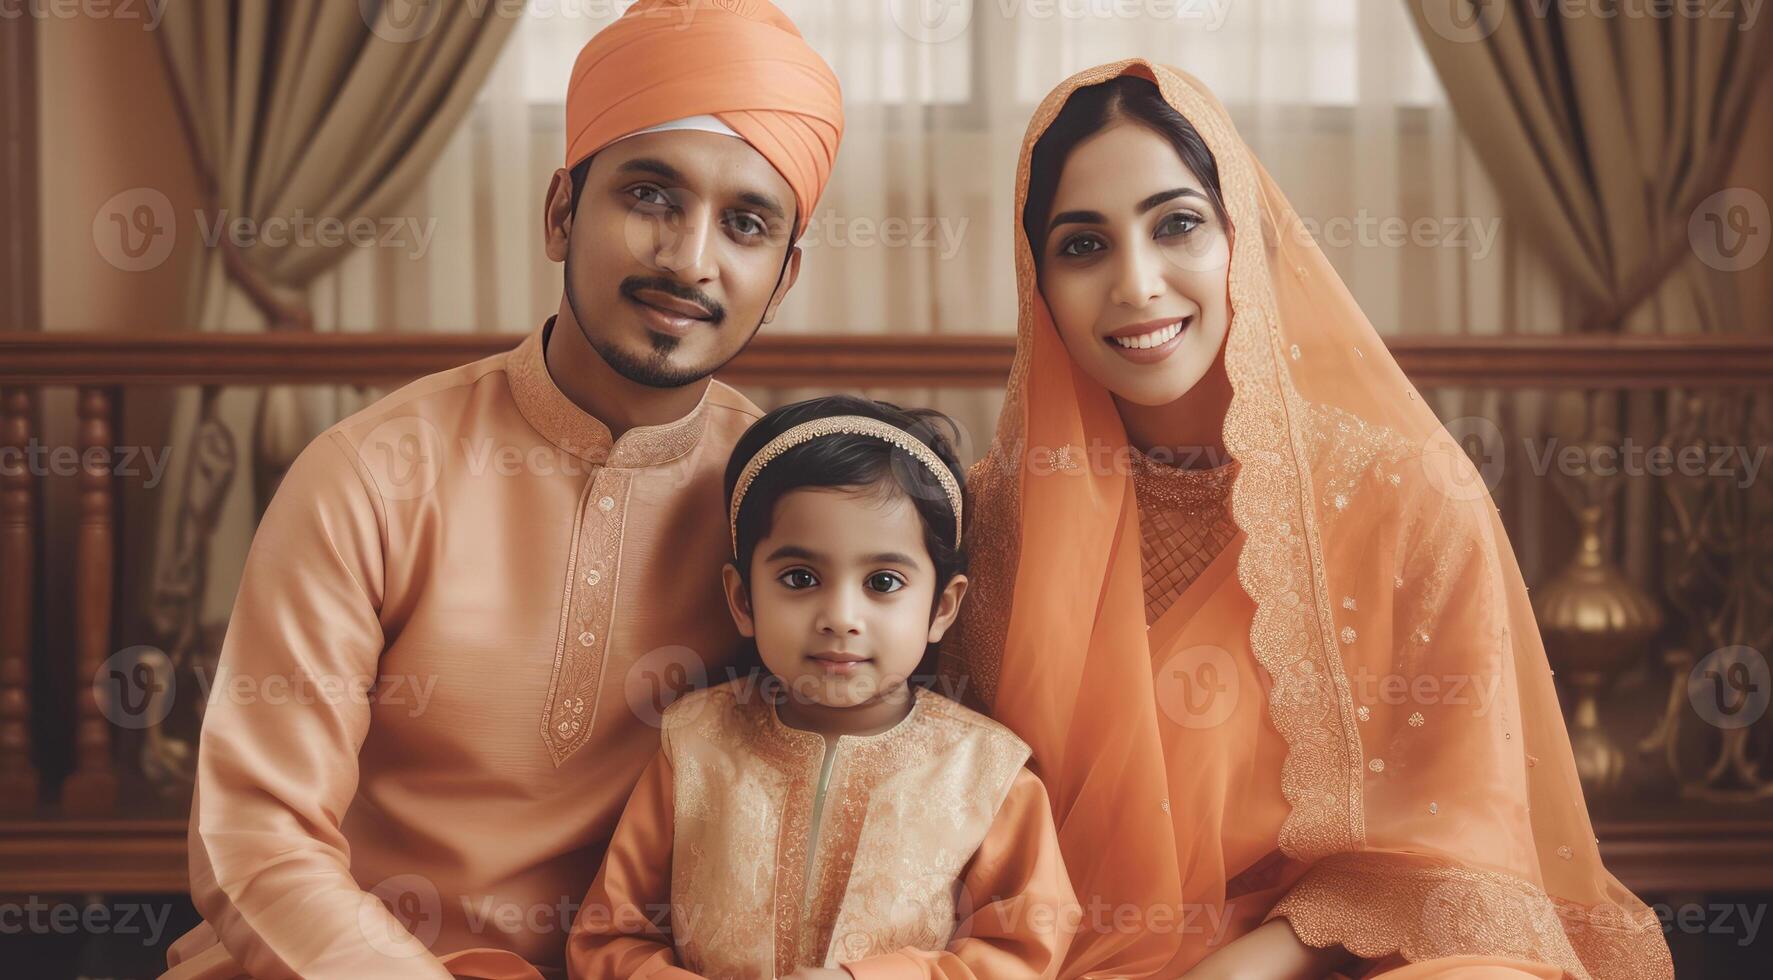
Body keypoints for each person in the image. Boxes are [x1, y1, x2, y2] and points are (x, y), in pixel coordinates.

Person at [941, 61, 1673, 980]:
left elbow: (1461, 851)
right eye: (1082, 246)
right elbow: (931, 794)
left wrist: (1254, 960)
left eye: (1177, 225)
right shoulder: (995, 517)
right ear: (1036, 284)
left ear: (1241, 238)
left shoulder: (1407, 497)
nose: (1135, 283)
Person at [161, 2, 843, 976]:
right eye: (650, 195)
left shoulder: (783, 504)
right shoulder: (371, 474)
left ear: (780, 279)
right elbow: (259, 839)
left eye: (744, 223)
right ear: (562, 211)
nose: (691, 259)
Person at [566, 395, 1078, 980]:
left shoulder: (987, 772)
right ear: (742, 599)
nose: (840, 616)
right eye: (800, 578)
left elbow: (1024, 952)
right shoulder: (692, 745)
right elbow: (610, 938)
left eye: (883, 581)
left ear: (941, 606)